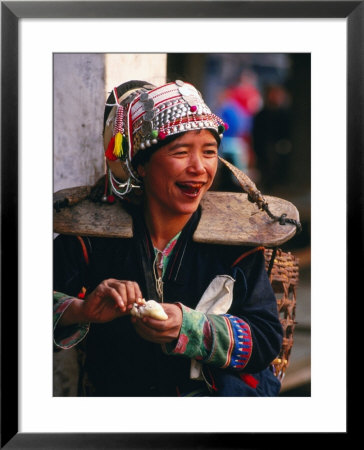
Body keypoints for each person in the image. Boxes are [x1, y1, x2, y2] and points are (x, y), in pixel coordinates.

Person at [53, 79, 283, 397]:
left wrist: (187, 326)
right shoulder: (91, 236)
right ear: (142, 165)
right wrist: (81, 310)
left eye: (209, 152)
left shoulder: (234, 242)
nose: (199, 167)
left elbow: (266, 337)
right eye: (181, 152)